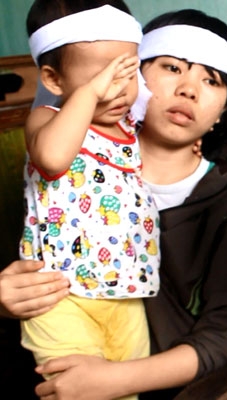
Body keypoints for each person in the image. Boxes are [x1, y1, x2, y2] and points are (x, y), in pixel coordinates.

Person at [2, 8, 227, 400]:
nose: (189, 89)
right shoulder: (69, 169)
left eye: (212, 80)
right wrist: (9, 298)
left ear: (223, 112)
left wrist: (112, 381)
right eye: (171, 67)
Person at [21, 2, 160, 397]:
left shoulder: (130, 129)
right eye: (103, 77)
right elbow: (52, 158)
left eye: (127, 72)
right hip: (58, 296)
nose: (118, 89)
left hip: (127, 292)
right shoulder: (46, 119)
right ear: (53, 79)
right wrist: (90, 93)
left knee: (125, 392)